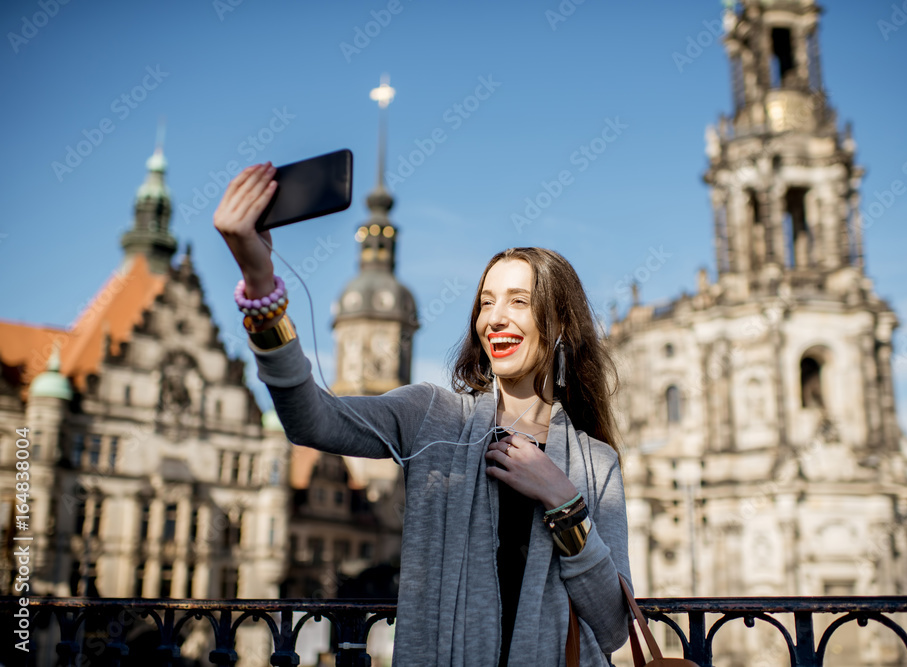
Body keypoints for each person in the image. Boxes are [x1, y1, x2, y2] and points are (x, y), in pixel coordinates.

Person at [214, 162, 631, 665]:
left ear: (561, 322)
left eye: (519, 301)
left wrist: (564, 501)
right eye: (486, 302)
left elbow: (612, 628)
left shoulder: (596, 463)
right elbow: (309, 419)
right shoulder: (432, 416)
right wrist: (261, 288)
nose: (495, 317)